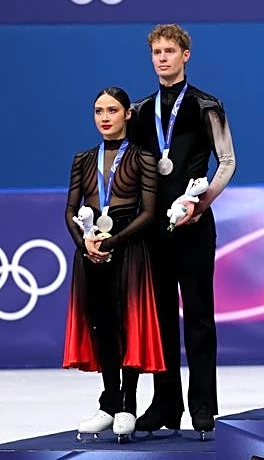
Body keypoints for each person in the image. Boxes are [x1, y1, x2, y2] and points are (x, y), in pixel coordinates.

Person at [128, 24, 237, 437]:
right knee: (159, 320)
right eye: (156, 51)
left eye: (170, 50)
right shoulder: (139, 112)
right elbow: (131, 167)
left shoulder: (206, 105)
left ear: (186, 54)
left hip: (194, 226)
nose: (162, 57)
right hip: (151, 230)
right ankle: (165, 405)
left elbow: (227, 162)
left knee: (198, 317)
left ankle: (203, 405)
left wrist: (201, 202)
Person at [63, 87, 165, 441]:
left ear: (127, 114)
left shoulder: (142, 157)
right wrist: (86, 244)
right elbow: (71, 209)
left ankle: (127, 406)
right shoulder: (83, 158)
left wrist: (113, 241)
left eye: (112, 110)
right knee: (100, 327)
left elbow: (150, 213)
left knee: (126, 327)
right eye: (98, 111)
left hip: (129, 249)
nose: (104, 117)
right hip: (90, 252)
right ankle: (108, 403)